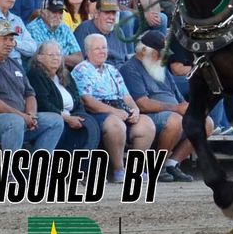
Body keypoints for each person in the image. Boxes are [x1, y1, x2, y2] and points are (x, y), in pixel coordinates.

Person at [0, 19, 64, 152]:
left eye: (11, 39)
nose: (9, 43)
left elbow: (30, 94)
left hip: (18, 118)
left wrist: (31, 115)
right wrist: (22, 116)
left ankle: (38, 169)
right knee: (15, 122)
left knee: (55, 120)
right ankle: (10, 171)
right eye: (4, 39)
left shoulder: (14, 63)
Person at [118, 31, 202, 182]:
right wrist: (175, 108)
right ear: (144, 51)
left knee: (205, 121)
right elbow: (142, 104)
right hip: (149, 116)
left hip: (171, 112)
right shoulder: (130, 68)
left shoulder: (161, 68)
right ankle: (157, 166)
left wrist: (187, 108)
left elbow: (179, 98)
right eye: (158, 53)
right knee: (175, 120)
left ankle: (172, 164)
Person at [72, 33, 155, 182]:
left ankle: (134, 169)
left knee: (146, 124)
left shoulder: (112, 69)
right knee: (115, 124)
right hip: (97, 112)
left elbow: (126, 96)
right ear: (88, 52)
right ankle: (119, 170)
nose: (102, 51)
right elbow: (87, 101)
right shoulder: (81, 69)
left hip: (120, 108)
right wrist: (114, 112)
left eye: (104, 47)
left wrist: (135, 109)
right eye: (97, 48)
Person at [28, 39, 109, 163]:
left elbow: (77, 99)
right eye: (51, 55)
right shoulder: (35, 74)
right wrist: (68, 118)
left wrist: (81, 117)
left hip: (72, 116)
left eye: (58, 54)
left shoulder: (65, 75)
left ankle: (80, 171)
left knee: (91, 126)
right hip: (54, 118)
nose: (56, 58)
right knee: (68, 129)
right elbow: (43, 103)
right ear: (39, 58)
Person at [26, 0, 84, 68]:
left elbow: (79, 58)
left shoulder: (65, 28)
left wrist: (57, 58)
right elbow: (41, 60)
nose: (58, 16)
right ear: (43, 12)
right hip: (42, 74)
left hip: (65, 72)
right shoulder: (32, 29)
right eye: (54, 12)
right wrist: (66, 59)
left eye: (60, 12)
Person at [73, 0, 130, 67]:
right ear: (96, 14)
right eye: (107, 13)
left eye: (114, 13)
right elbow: (82, 63)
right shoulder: (84, 29)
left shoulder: (118, 31)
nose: (112, 17)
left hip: (119, 73)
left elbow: (124, 60)